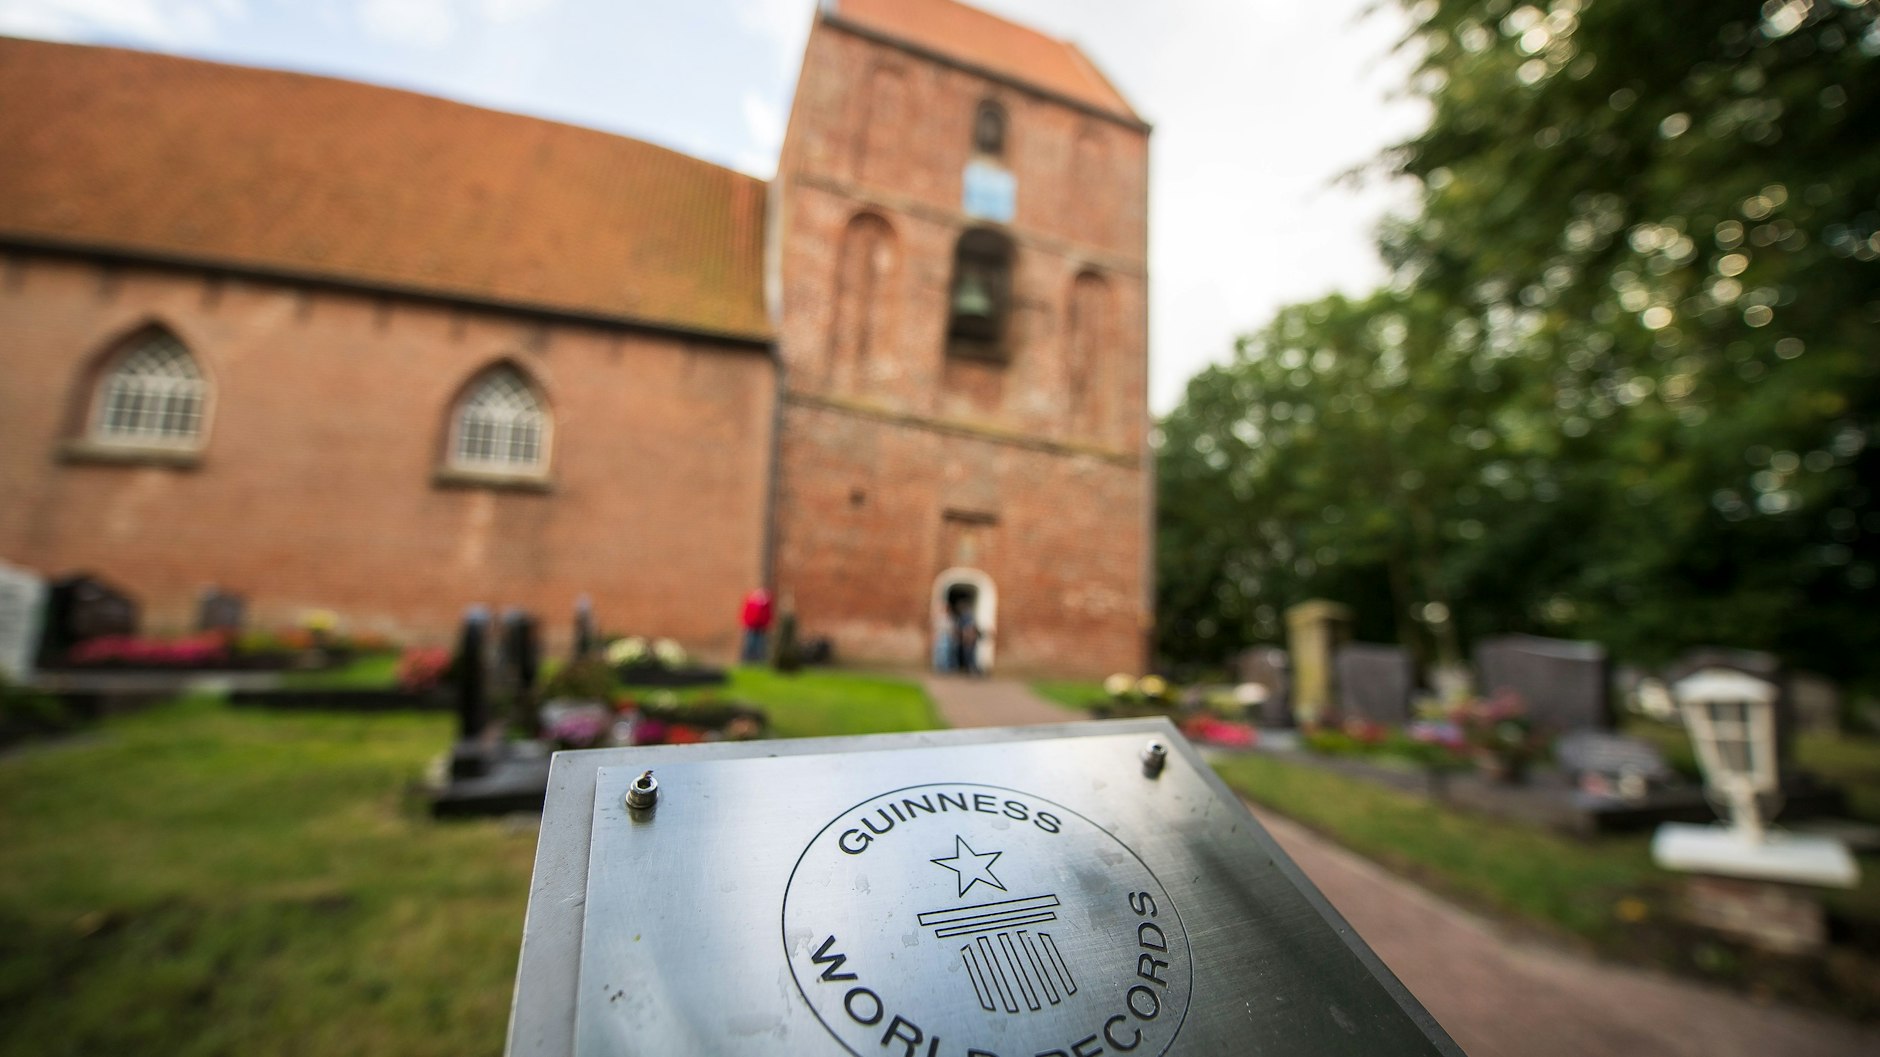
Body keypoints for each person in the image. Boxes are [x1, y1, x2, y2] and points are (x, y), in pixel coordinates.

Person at [739, 587, 773, 664]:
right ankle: (747, 660)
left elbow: (767, 616)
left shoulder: (765, 606)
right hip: (751, 627)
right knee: (750, 645)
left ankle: (759, 661)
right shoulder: (752, 604)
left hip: (761, 628)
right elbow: (748, 615)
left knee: (760, 646)